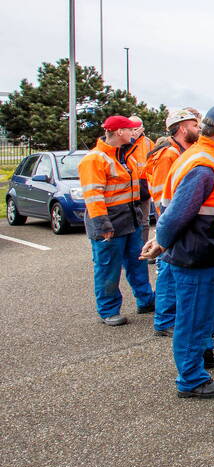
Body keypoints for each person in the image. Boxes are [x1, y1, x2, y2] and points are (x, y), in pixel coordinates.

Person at [140, 104, 214, 398]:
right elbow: (177, 212)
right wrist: (160, 241)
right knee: (192, 318)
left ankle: (203, 354)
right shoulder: (204, 164)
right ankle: (190, 379)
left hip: (207, 250)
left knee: (204, 314)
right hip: (196, 253)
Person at [79, 114, 154, 326]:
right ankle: (108, 310)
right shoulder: (95, 159)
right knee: (107, 268)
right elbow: (93, 196)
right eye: (130, 130)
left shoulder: (123, 155)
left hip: (130, 219)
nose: (134, 133)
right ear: (119, 132)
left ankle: (146, 299)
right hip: (109, 222)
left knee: (137, 263)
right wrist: (103, 225)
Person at [145, 108, 201, 336]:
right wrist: (167, 224)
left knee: (170, 269)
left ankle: (168, 316)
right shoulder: (169, 154)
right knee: (167, 269)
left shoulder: (181, 151)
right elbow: (162, 192)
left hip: (177, 218)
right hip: (172, 220)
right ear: (182, 128)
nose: (198, 129)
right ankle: (165, 320)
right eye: (194, 125)